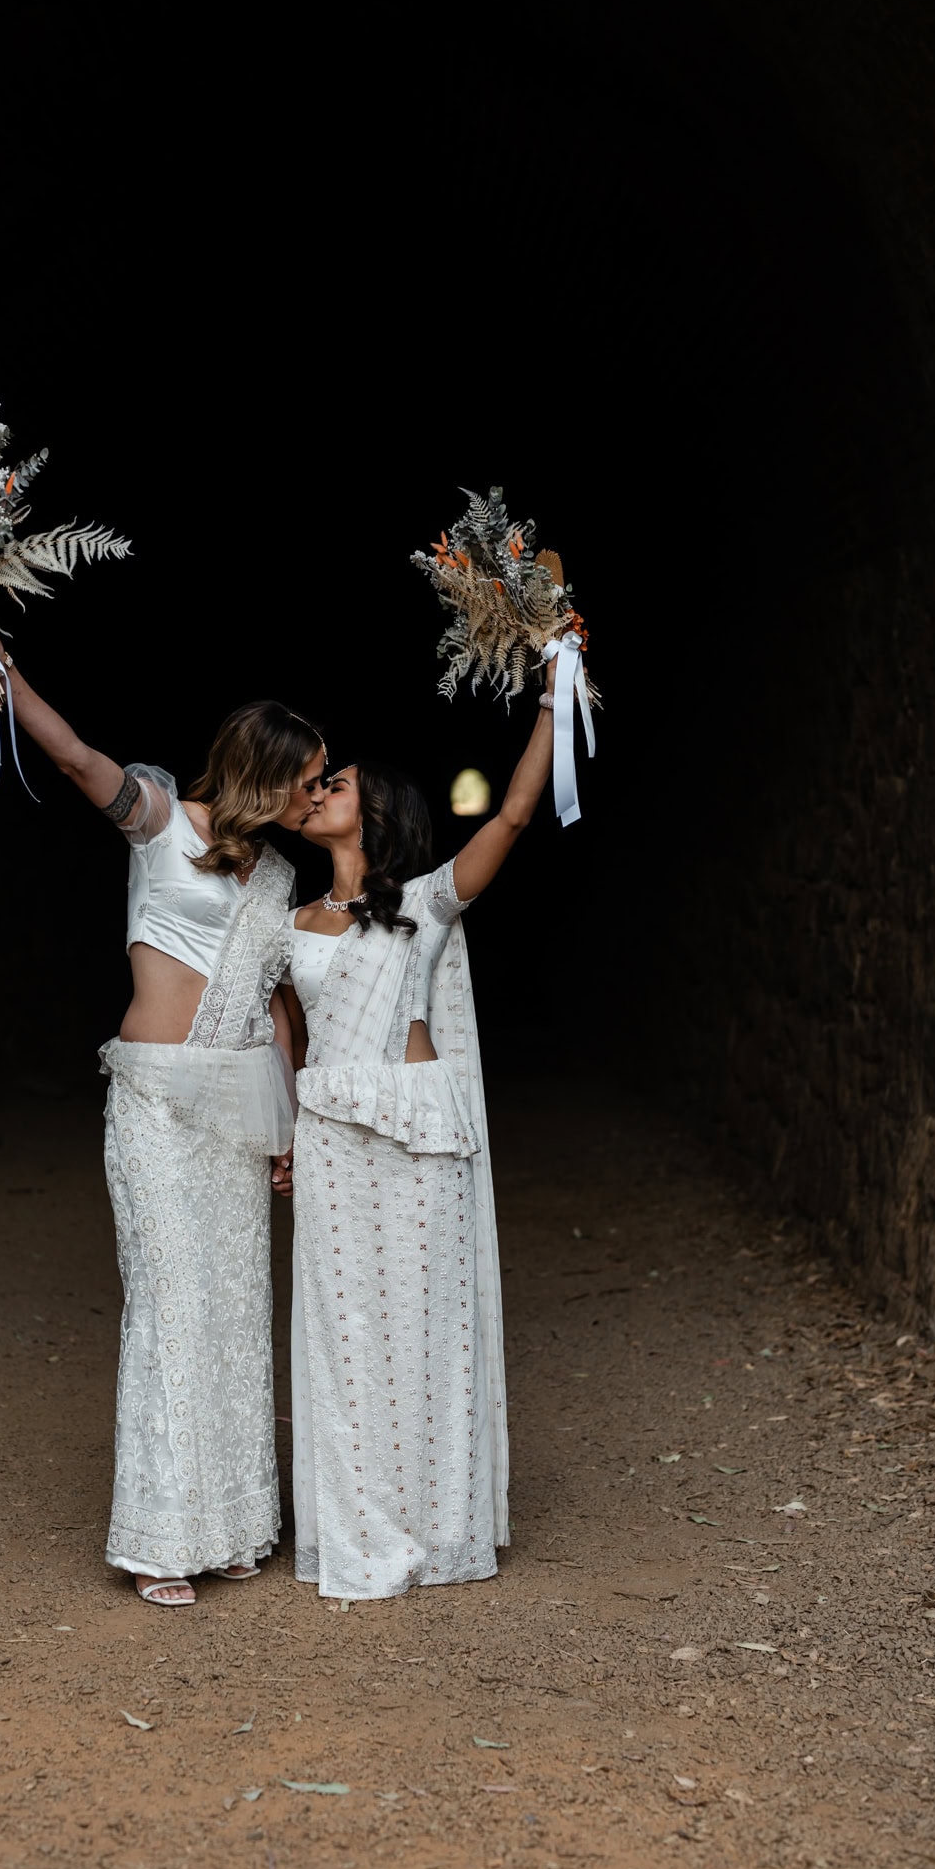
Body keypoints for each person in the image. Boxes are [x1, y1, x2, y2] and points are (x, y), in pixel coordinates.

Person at [0, 609, 326, 1607]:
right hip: (157, 1104)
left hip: (241, 1105)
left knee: (237, 1310)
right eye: (307, 775)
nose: (316, 793)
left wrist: (286, 1128)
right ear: (265, 770)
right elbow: (74, 755)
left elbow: (277, 1008)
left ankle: (235, 1523)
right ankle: (163, 1535)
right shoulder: (161, 820)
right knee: (171, 1303)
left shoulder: (284, 874)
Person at [280, 662, 556, 1599]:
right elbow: (280, 1043)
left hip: (419, 1134)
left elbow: (513, 813)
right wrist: (277, 1137)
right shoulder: (285, 925)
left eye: (335, 783)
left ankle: (439, 1526)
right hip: (327, 1138)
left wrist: (556, 692)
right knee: (345, 1334)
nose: (317, 794)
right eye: (312, 787)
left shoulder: (428, 900)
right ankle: (360, 1523)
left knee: (428, 1329)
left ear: (379, 808)